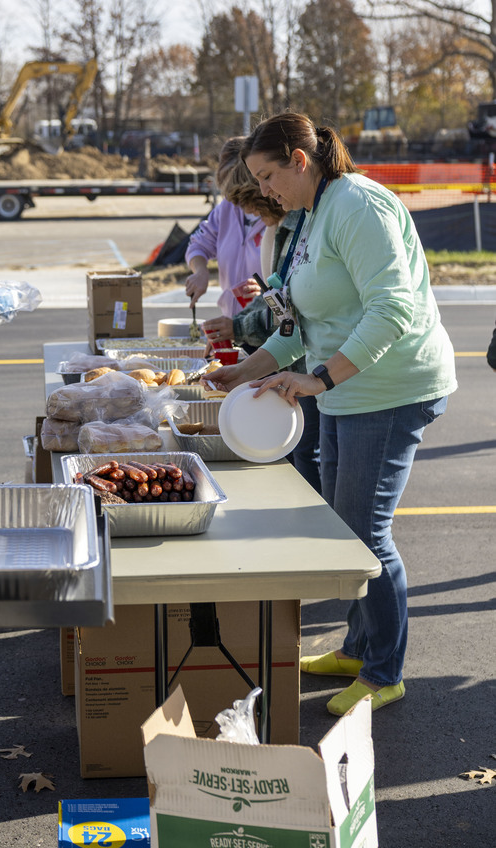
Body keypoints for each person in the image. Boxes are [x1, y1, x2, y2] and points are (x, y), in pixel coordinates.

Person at [206, 112, 456, 715]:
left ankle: (383, 673)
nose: (263, 191)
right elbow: (302, 322)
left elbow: (392, 310)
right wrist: (245, 369)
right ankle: (357, 645)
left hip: (390, 389)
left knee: (366, 535)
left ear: (299, 158)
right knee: (345, 530)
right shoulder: (315, 213)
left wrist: (319, 378)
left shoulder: (358, 205)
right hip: (346, 388)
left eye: (268, 176)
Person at [204, 181, 322, 494]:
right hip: (305, 368)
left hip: (320, 374)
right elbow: (286, 313)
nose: (258, 216)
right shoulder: (284, 230)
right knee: (304, 455)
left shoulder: (301, 226)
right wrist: (242, 368)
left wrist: (237, 327)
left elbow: (291, 314)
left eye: (257, 209)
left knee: (308, 456)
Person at [185, 137, 266, 316]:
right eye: (228, 191)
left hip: (268, 330)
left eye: (236, 190)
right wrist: (200, 271)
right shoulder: (227, 208)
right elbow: (199, 244)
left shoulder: (277, 218)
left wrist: (265, 294)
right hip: (232, 322)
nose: (233, 200)